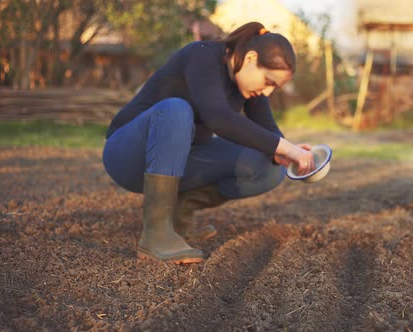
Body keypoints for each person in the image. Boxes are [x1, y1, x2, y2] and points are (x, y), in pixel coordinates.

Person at [102, 22, 316, 265]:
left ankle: (178, 215)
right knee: (176, 109)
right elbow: (218, 118)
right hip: (128, 155)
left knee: (269, 167)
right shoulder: (202, 55)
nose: (267, 92)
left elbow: (269, 132)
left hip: (182, 160)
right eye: (268, 81)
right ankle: (156, 235)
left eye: (274, 87)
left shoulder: (247, 88)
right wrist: (284, 147)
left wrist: (290, 153)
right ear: (250, 58)